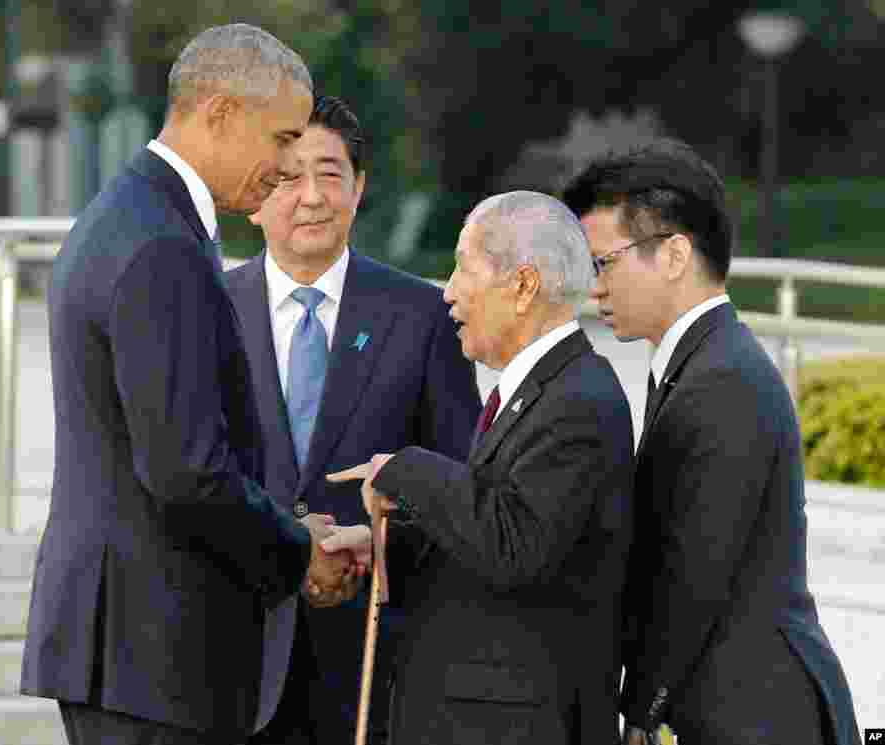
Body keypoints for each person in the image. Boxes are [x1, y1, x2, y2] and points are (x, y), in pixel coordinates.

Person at [20, 24, 365, 745]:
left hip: (129, 651)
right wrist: (297, 549)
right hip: (152, 656)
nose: (284, 167)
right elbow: (185, 470)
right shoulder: (161, 246)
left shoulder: (132, 215)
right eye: (280, 140)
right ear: (219, 113)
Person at [562, 139, 860, 745]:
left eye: (604, 263)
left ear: (674, 254)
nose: (594, 290)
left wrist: (642, 708)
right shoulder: (696, 364)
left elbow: (690, 574)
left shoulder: (723, 380)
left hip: (758, 712)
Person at [326, 191, 636, 744]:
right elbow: (483, 536)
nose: (447, 292)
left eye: (464, 269)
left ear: (522, 286)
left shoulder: (580, 400)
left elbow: (515, 543)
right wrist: (382, 545)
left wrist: (406, 469)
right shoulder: (537, 393)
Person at [224, 94, 482, 744]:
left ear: (359, 187)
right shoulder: (208, 312)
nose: (310, 196)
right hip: (235, 654)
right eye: (287, 175)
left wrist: (376, 547)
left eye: (331, 173)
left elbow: (462, 488)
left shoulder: (422, 318)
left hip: (374, 661)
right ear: (255, 193)